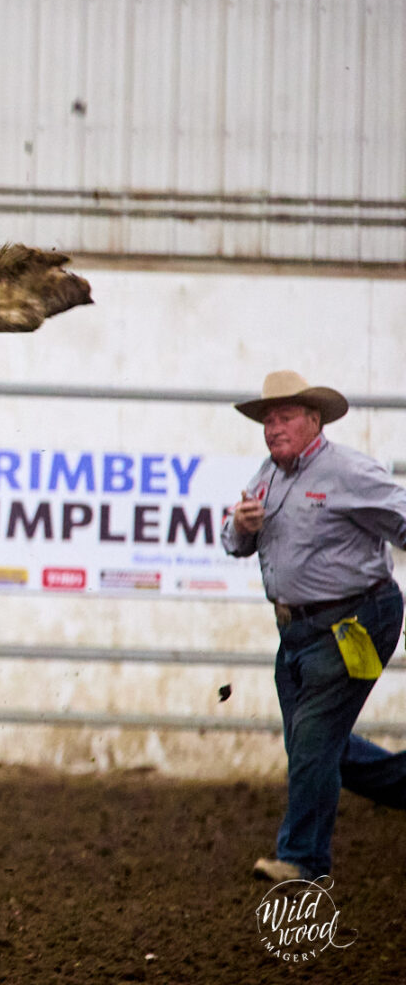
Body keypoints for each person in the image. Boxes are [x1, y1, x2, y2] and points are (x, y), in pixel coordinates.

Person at [220, 369, 406, 882]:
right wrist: (240, 525)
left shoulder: (349, 471)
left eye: (284, 418)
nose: (273, 428)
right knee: (318, 746)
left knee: (314, 741)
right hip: (299, 630)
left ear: (313, 420)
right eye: (267, 420)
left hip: (355, 620)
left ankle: (302, 858)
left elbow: (402, 518)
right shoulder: (267, 474)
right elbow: (233, 541)